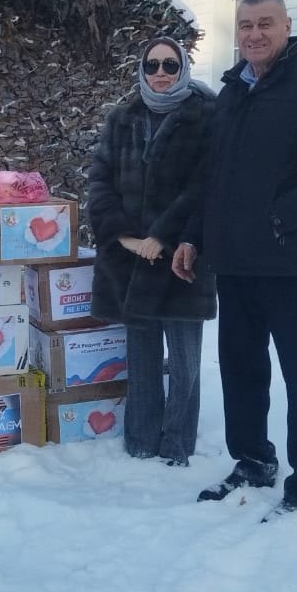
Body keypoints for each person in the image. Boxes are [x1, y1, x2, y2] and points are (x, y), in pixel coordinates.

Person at [173, 0, 297, 512]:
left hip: (288, 262)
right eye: (245, 25)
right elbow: (213, 176)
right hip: (234, 262)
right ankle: (253, 458)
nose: (254, 34)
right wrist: (193, 234)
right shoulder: (233, 90)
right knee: (241, 368)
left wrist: (283, 216)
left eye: (265, 24)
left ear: (287, 26)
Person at [87, 36, 217, 466]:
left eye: (170, 65)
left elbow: (204, 188)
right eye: (152, 65)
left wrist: (160, 235)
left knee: (184, 360)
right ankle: (140, 440)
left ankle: (177, 444)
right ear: (141, 70)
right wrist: (124, 237)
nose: (160, 73)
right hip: (130, 261)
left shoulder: (206, 117)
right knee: (141, 356)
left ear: (184, 69)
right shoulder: (121, 118)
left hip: (183, 256)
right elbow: (99, 183)